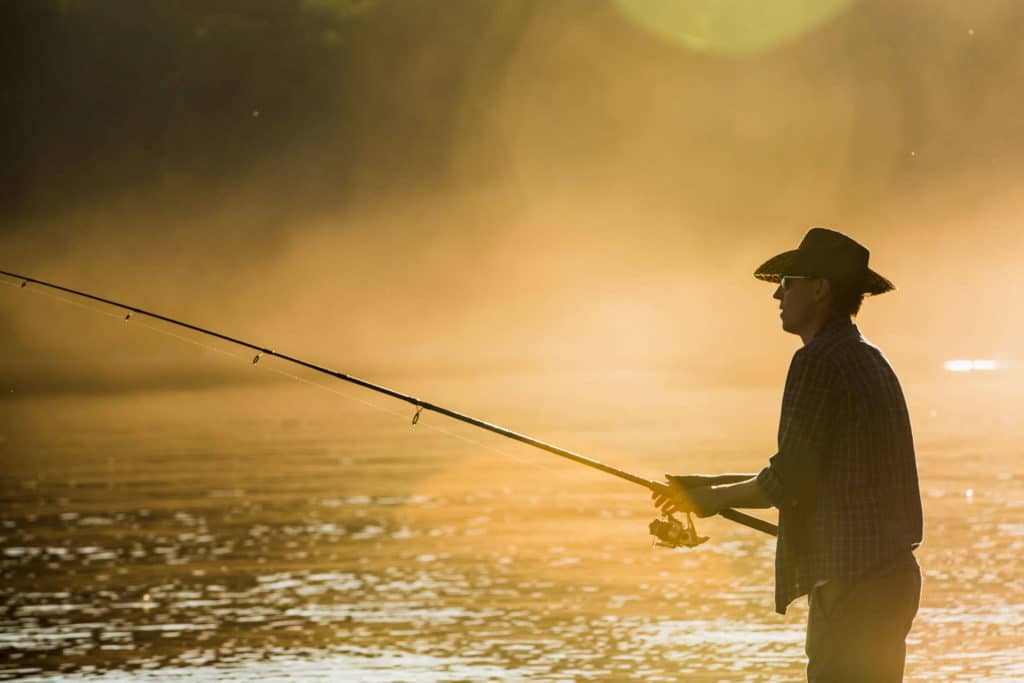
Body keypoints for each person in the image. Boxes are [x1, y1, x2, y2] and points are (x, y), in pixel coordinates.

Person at [653, 227, 923, 682]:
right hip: (888, 580)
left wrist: (714, 501)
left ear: (819, 290)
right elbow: (817, 472)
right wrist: (714, 485)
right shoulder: (866, 356)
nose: (778, 293)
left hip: (853, 586)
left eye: (789, 282)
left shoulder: (817, 360)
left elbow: (790, 481)